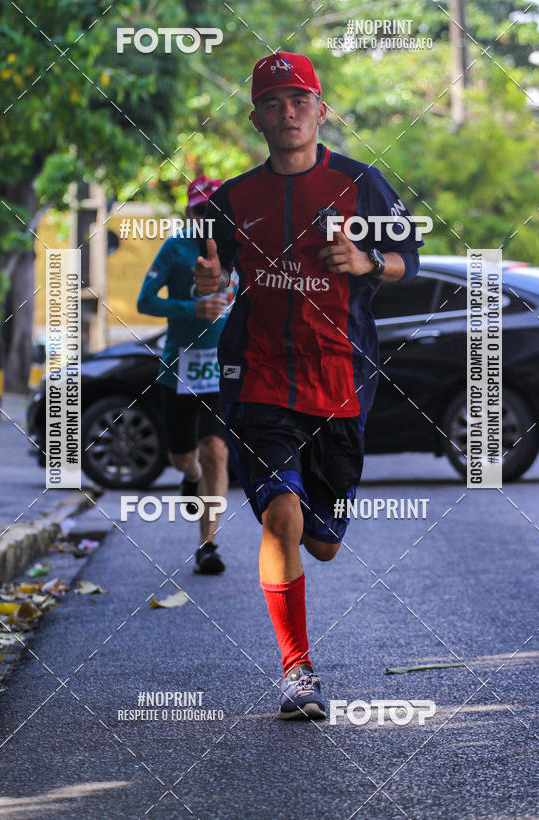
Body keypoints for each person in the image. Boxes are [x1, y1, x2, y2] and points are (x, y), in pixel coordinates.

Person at [194, 51, 422, 718]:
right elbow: (210, 279)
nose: (287, 111)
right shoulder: (229, 201)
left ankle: (312, 540)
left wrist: (370, 259)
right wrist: (209, 291)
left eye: (300, 100)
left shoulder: (363, 183)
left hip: (341, 378)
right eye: (273, 102)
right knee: (280, 516)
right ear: (257, 118)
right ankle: (298, 673)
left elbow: (411, 256)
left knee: (321, 540)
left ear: (321, 111)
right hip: (261, 376)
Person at [138, 175, 231, 574]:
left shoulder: (240, 250)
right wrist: (189, 310)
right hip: (179, 370)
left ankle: (208, 544)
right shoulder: (174, 248)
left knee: (217, 451)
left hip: (225, 370)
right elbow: (145, 301)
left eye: (215, 209)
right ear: (188, 212)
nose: (207, 217)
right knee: (184, 458)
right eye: (200, 209)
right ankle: (189, 476)